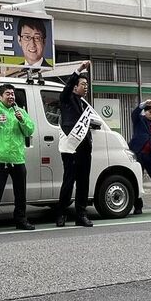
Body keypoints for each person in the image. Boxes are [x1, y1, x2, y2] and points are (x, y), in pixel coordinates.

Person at [0, 81, 36, 233]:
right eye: (7, 94)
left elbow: (29, 131)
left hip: (17, 158)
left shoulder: (20, 111)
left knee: (21, 193)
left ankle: (21, 220)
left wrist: (22, 120)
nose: (11, 96)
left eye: (12, 94)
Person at [57, 61, 98, 228]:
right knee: (68, 181)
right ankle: (61, 213)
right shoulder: (67, 99)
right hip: (71, 148)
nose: (86, 87)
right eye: (83, 84)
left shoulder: (83, 103)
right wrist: (79, 69)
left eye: (87, 85)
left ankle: (81, 214)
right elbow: (67, 87)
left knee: (83, 182)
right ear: (74, 87)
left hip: (84, 148)